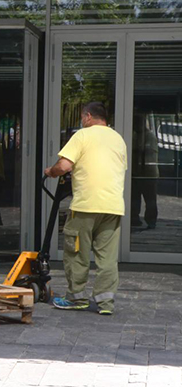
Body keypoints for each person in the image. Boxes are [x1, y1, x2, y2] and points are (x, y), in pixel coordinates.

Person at [44, 102, 127, 315]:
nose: (82, 121)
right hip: (113, 206)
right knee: (107, 258)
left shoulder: (82, 135)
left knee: (76, 253)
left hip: (86, 205)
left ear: (88, 116)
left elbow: (64, 166)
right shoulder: (118, 139)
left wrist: (51, 172)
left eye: (82, 117)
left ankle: (76, 298)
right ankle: (106, 304)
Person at [131, 113, 159, 229]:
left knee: (150, 199)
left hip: (148, 173)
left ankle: (151, 220)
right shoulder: (134, 135)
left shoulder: (150, 136)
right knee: (134, 198)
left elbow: (148, 152)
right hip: (136, 172)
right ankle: (134, 218)